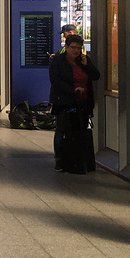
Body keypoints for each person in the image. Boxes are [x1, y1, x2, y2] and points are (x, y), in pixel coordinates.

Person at [48, 34, 101, 172]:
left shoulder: (83, 61)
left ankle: (78, 159)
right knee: (62, 129)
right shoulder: (58, 61)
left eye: (78, 48)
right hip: (64, 102)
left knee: (80, 130)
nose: (76, 50)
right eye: (73, 47)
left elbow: (96, 76)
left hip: (83, 102)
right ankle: (59, 159)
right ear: (66, 47)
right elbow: (55, 81)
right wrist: (73, 90)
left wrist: (86, 65)